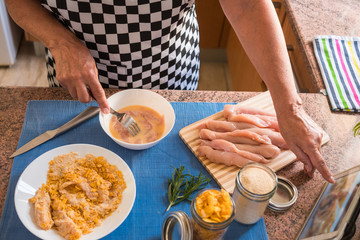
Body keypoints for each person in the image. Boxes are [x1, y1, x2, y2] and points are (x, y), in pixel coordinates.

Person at [5, 0, 335, 183]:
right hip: (75, 76)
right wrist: (60, 42)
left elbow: (246, 5)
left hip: (169, 68)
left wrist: (289, 108)